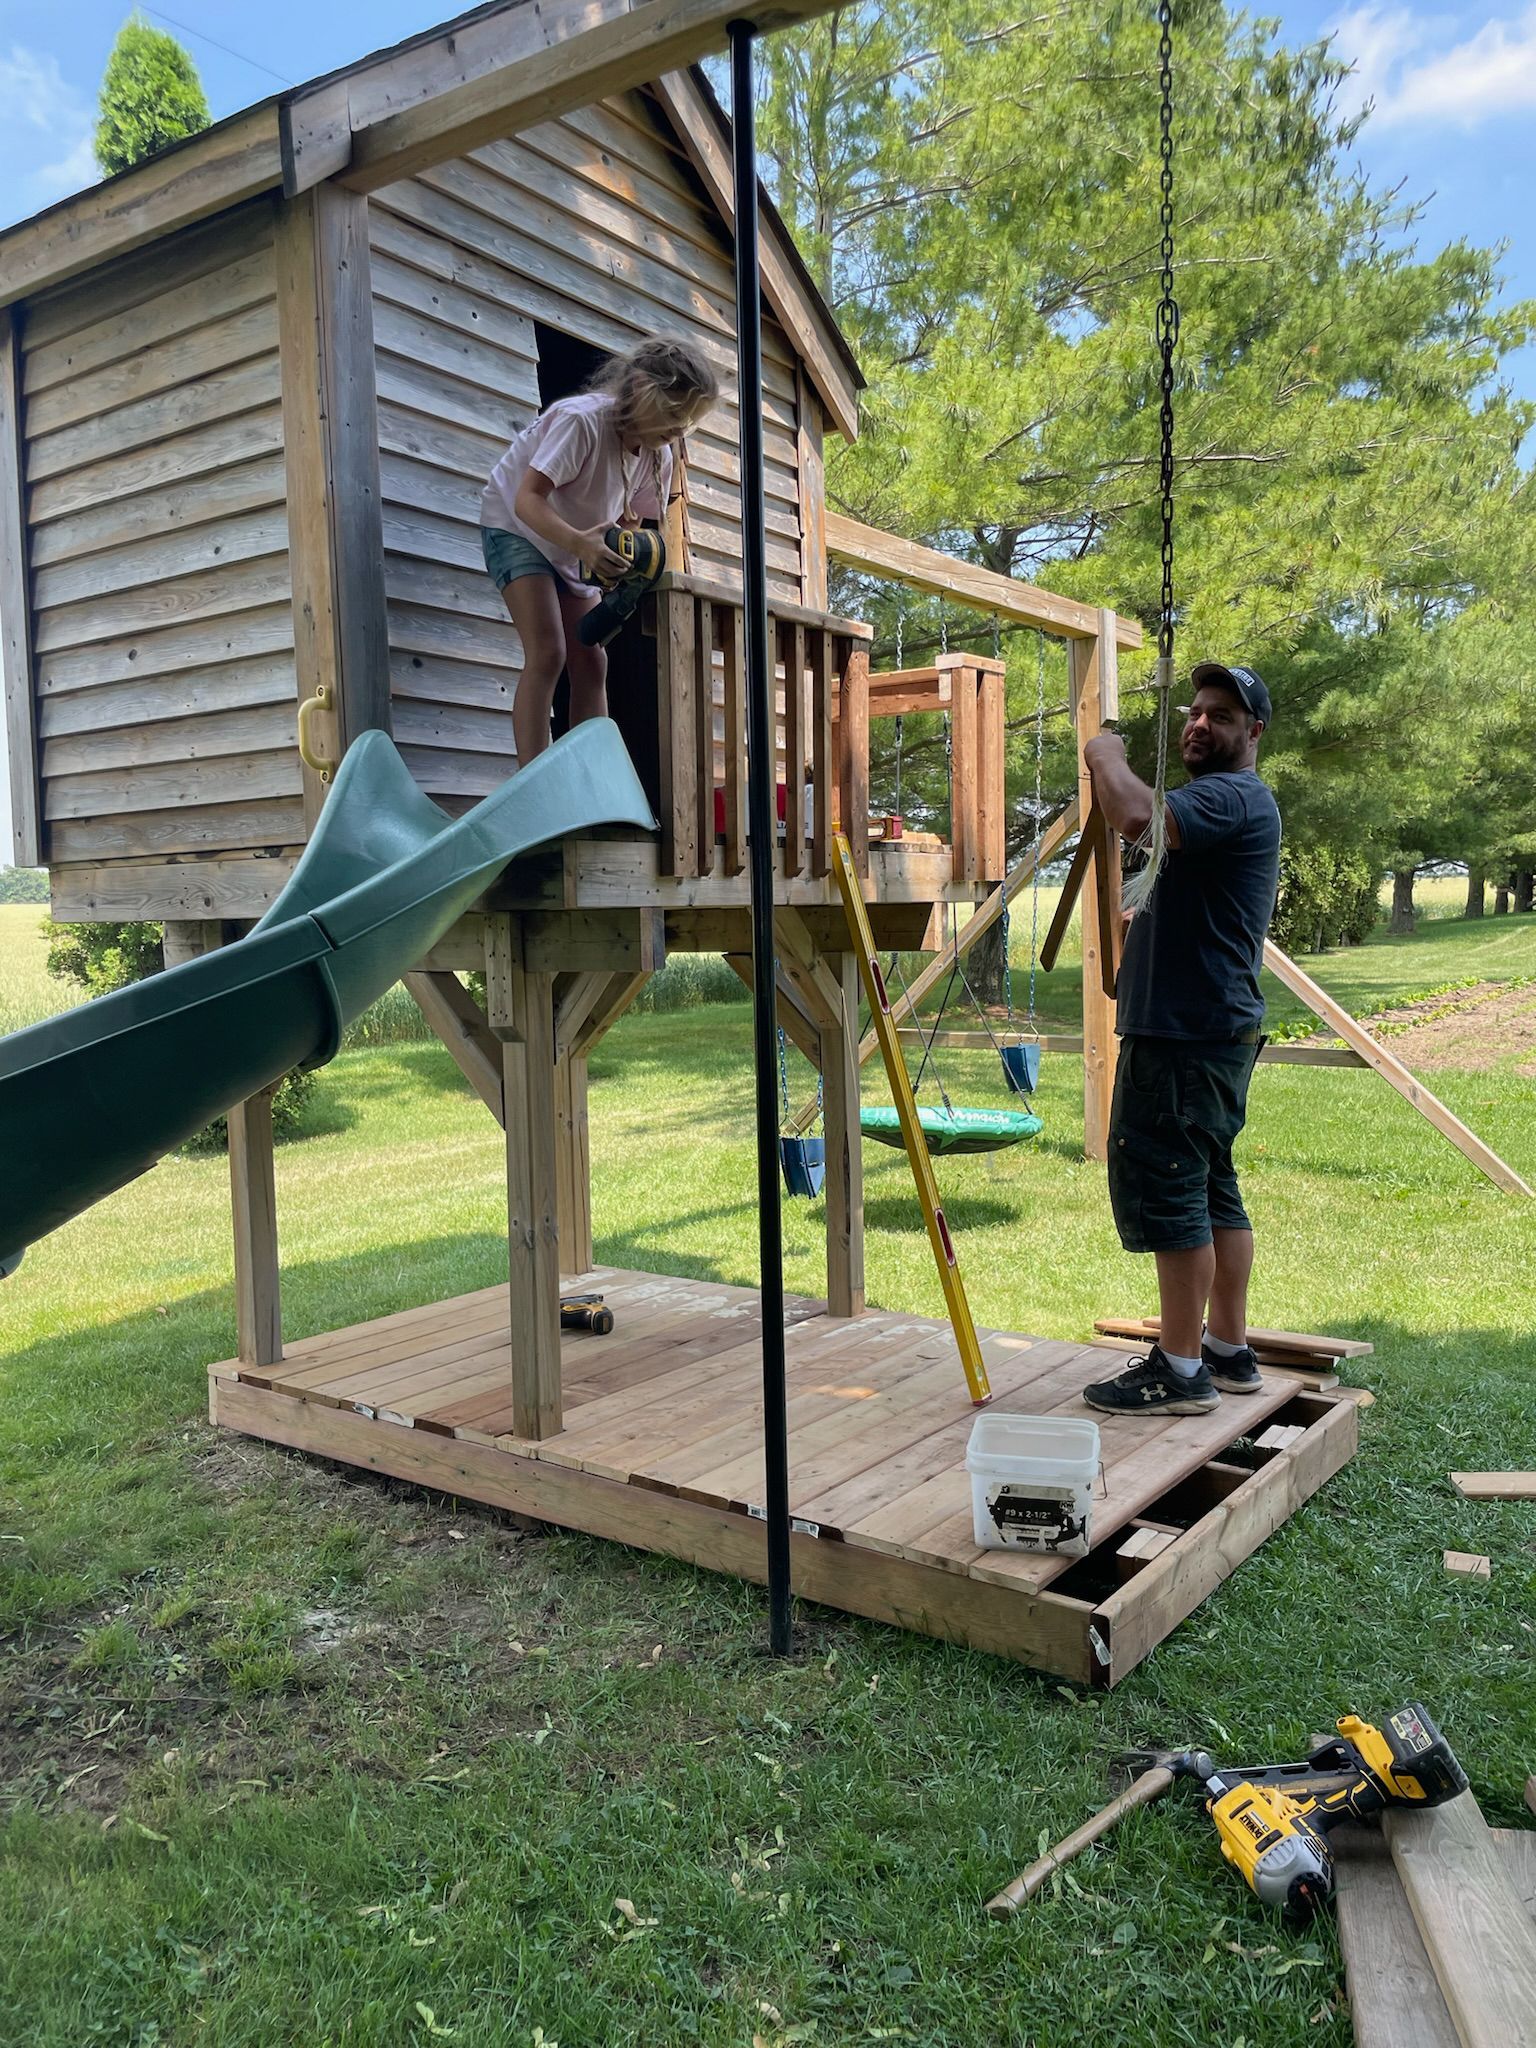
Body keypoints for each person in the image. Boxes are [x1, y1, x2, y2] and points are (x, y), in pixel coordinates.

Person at [1079, 662, 1281, 1416]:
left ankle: (1181, 1369)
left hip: (1186, 1040)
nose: (1199, 723)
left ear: (1253, 733)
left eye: (1221, 715)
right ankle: (1227, 1349)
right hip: (1210, 1031)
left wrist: (1102, 750)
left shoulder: (1229, 796)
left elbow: (1132, 814)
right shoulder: (1224, 804)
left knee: (1174, 1193)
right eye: (1195, 712)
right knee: (1211, 1188)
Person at [479, 336, 719, 764]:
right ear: (643, 387)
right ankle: (535, 782)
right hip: (519, 527)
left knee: (592, 661)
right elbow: (527, 499)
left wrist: (620, 562)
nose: (681, 429)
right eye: (676, 413)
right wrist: (582, 545)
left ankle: (589, 780)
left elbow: (632, 521)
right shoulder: (582, 422)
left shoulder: (658, 454)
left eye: (691, 421)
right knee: (549, 651)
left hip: (577, 543)